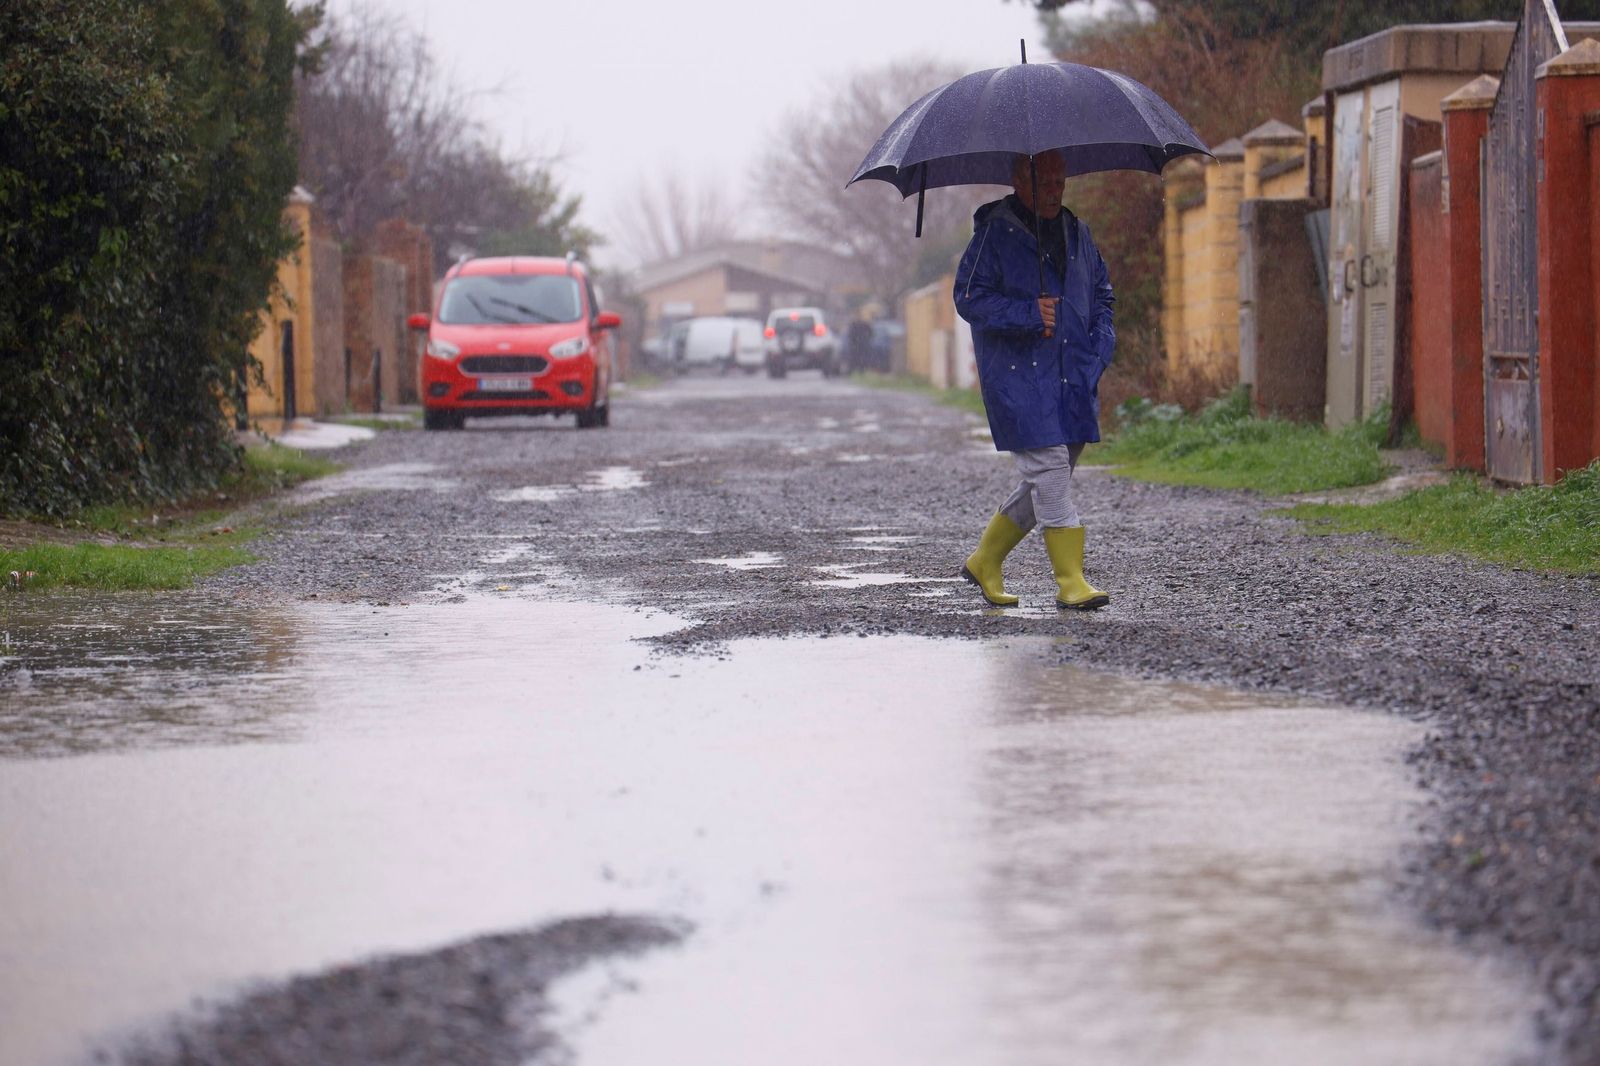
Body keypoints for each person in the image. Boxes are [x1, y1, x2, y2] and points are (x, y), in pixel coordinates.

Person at [953, 150, 1115, 610]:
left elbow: (1103, 294)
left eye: (1061, 183)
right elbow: (968, 297)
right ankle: (1071, 581)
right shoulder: (994, 235)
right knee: (1050, 471)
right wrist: (1028, 313)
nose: (1055, 192)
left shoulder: (1078, 233)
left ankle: (986, 559)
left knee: (1050, 474)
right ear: (1020, 179)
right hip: (1018, 378)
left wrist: (1100, 349)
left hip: (1074, 376)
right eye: (1046, 183)